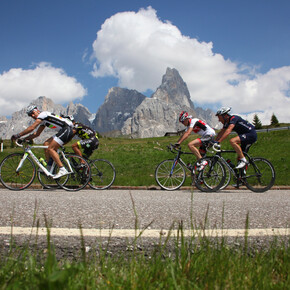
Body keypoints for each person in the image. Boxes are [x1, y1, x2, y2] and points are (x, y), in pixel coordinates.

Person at [11, 105, 74, 179]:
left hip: (66, 129)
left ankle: (62, 169)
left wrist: (18, 135)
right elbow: (36, 134)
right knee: (46, 144)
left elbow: (32, 128)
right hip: (64, 130)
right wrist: (24, 139)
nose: (32, 115)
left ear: (37, 110)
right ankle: (50, 167)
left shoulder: (43, 114)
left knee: (51, 149)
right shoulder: (43, 121)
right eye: (30, 115)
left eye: (32, 113)